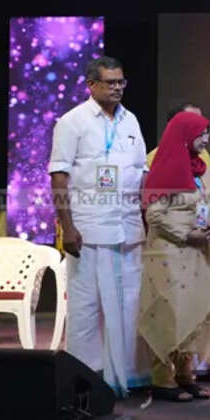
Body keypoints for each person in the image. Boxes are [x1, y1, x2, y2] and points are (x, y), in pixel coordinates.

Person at [49, 56, 148, 395]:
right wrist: (67, 226)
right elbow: (59, 175)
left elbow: (140, 174)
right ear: (91, 85)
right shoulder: (72, 121)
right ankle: (84, 382)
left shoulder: (131, 120)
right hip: (88, 231)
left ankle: (122, 379)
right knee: (87, 308)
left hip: (128, 229)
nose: (117, 87)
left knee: (126, 307)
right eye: (110, 82)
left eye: (121, 82)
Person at [139, 112, 210, 402]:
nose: (206, 140)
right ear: (186, 135)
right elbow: (155, 215)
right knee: (168, 313)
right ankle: (162, 379)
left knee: (194, 312)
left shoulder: (202, 167)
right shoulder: (165, 166)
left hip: (200, 252)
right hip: (169, 252)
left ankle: (185, 375)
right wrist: (187, 235)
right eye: (201, 134)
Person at [146, 102, 210, 171]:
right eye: (192, 121)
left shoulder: (203, 153)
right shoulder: (154, 159)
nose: (199, 125)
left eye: (200, 121)